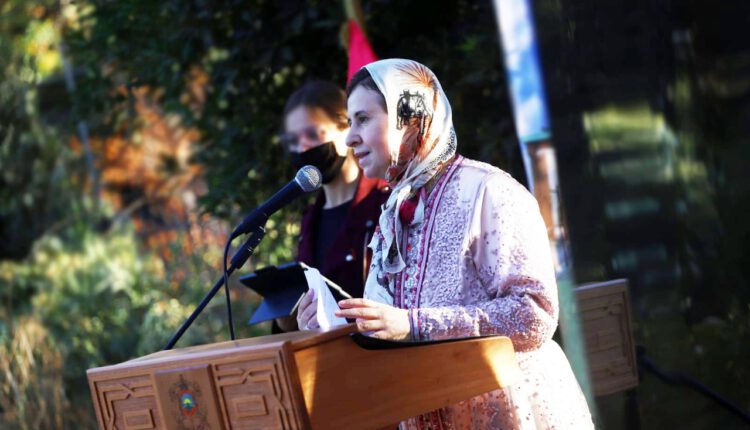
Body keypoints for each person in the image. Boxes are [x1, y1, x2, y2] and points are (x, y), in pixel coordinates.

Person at [333, 59, 594, 429]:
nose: (350, 138)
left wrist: (415, 324)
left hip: (510, 413)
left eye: (363, 119)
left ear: (411, 119)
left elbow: (534, 314)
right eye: (350, 122)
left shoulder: (488, 191)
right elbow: (390, 325)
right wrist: (335, 322)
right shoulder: (393, 212)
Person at [274, 81, 390, 333]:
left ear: (346, 129)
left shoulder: (385, 203)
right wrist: (293, 321)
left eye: (313, 134)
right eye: (293, 140)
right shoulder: (310, 219)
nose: (302, 148)